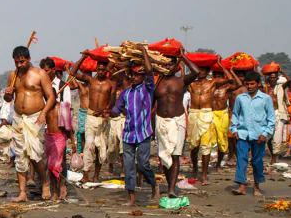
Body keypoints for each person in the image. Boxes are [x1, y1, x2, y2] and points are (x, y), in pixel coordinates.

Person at [3, 46, 56, 202]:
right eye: (16, 62)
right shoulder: (13, 76)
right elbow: (9, 99)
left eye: (22, 61)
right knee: (20, 155)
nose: (19, 65)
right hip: (18, 117)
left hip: (35, 118)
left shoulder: (40, 74)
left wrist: (44, 113)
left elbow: (51, 97)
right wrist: (7, 94)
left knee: (34, 153)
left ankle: (45, 183)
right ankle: (22, 192)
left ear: (29, 58)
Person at [110, 47, 159, 207]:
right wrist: (109, 113)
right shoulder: (125, 93)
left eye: (139, 74)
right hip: (128, 134)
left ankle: (154, 185)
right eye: (134, 74)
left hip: (144, 133)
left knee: (143, 164)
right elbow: (117, 109)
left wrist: (144, 52)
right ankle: (131, 198)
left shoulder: (147, 89)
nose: (135, 77)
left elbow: (151, 72)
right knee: (129, 166)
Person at [154, 47, 200, 196]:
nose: (168, 67)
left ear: (176, 66)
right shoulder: (156, 82)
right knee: (164, 156)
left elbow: (196, 72)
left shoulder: (181, 81)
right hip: (161, 120)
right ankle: (170, 184)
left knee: (175, 155)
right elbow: (151, 105)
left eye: (171, 64)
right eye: (165, 65)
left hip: (177, 120)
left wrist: (182, 56)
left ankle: (172, 189)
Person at [68, 53, 115, 182]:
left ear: (106, 71)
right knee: (89, 145)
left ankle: (96, 175)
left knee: (101, 147)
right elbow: (72, 73)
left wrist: (106, 109)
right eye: (98, 69)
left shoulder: (110, 84)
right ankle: (86, 173)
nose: (100, 72)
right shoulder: (91, 81)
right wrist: (83, 57)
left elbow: (112, 101)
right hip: (90, 116)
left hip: (103, 120)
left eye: (103, 70)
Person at [229, 71, 275, 196]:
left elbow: (271, 118)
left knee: (257, 161)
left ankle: (256, 187)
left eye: (252, 84)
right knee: (242, 159)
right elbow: (235, 115)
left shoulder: (265, 98)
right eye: (247, 84)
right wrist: (234, 130)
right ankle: (241, 187)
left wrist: (265, 133)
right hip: (243, 134)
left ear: (258, 84)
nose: (249, 86)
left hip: (259, 135)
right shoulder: (240, 98)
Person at [41, 58, 71, 201]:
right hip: (48, 133)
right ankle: (54, 190)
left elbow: (68, 117)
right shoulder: (40, 87)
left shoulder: (63, 87)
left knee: (59, 163)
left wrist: (72, 140)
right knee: (50, 164)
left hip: (60, 134)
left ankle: (62, 186)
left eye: (46, 70)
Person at [263, 64, 291, 164]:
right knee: (267, 137)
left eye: (275, 77)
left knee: (277, 137)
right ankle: (272, 154)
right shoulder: (264, 89)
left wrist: (282, 71)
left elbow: (289, 81)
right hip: (266, 115)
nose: (273, 79)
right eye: (271, 77)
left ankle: (274, 157)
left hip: (278, 114)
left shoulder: (281, 87)